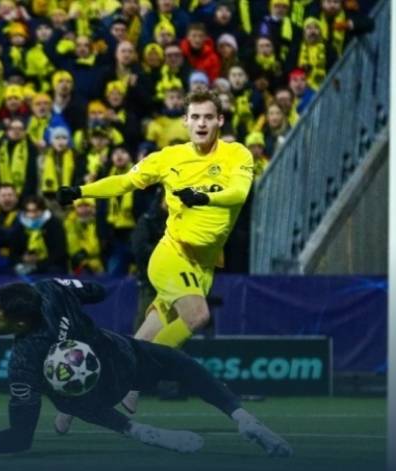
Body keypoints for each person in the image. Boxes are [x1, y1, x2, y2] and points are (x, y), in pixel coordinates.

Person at [0, 279, 292, 458]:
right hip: (123, 357)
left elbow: (20, 439)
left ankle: (137, 430)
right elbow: (98, 291)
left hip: (96, 398)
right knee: (181, 364)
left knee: (65, 399)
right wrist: (74, 294)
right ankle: (244, 418)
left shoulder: (23, 360)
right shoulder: (50, 290)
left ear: (20, 324)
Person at [57, 89, 254, 418]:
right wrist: (80, 191)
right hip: (171, 254)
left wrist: (204, 198)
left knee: (139, 342)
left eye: (208, 117)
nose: (201, 123)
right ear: (185, 121)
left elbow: (239, 193)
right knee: (197, 316)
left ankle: (86, 396)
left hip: (204, 265)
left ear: (220, 120)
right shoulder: (168, 157)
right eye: (195, 117)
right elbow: (125, 182)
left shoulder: (237, 154)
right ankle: (133, 381)